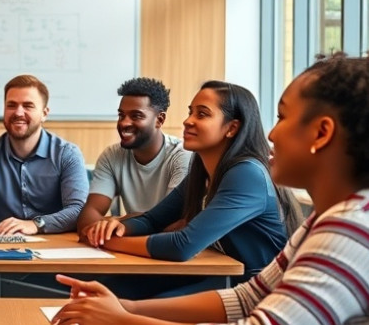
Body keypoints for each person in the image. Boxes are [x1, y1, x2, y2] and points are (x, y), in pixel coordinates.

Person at [52, 55, 369, 325]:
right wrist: (126, 308)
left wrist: (122, 323)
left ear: (322, 133)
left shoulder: (351, 230)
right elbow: (248, 298)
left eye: (282, 117)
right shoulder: (322, 221)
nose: (271, 134)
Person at [83, 81, 299, 298]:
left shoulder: (246, 173)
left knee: (143, 302)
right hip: (222, 276)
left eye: (202, 114)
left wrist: (111, 242)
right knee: (111, 286)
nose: (187, 121)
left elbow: (182, 245)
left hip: (256, 289)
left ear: (232, 128)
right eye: (190, 112)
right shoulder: (203, 170)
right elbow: (152, 220)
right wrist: (117, 228)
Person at [0, 74, 89, 236]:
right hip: (2, 247)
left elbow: (79, 210)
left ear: (44, 113)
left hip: (55, 246)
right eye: (11, 105)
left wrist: (36, 224)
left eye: (28, 106)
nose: (18, 112)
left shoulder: (67, 154)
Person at [75, 77, 191, 234]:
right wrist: (126, 223)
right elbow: (87, 220)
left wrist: (119, 221)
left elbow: (175, 224)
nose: (124, 123)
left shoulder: (181, 155)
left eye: (136, 116)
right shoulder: (112, 156)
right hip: (130, 246)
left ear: (160, 120)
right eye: (121, 115)